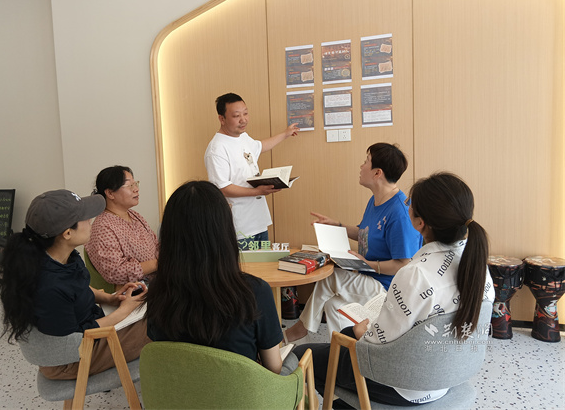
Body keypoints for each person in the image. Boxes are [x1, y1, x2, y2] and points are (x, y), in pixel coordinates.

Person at [293, 172, 495, 406]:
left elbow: (378, 343)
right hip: (446, 379)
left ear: (420, 223)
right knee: (342, 336)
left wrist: (360, 331)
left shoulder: (415, 274)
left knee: (302, 355)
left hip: (400, 384)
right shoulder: (477, 266)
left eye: (410, 204)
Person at [145, 180, 298, 375]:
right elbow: (273, 368)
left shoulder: (157, 291)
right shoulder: (254, 291)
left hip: (179, 390)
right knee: (294, 359)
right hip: (241, 392)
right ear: (224, 233)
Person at [0, 189, 150, 380]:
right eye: (85, 218)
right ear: (67, 233)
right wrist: (123, 311)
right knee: (163, 323)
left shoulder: (64, 257)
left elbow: (78, 288)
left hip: (87, 333)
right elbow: (79, 335)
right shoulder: (49, 286)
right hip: (72, 358)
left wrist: (110, 298)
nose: (91, 221)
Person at [285, 143, 423, 342]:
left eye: (366, 161)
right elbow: (365, 234)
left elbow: (404, 264)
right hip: (368, 279)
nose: (361, 166)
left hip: (387, 288)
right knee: (333, 305)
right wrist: (337, 225)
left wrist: (367, 264)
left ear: (377, 173)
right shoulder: (376, 200)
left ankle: (299, 330)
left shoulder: (399, 212)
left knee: (330, 277)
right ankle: (343, 352)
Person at [204, 92, 299, 247]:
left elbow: (259, 147)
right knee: (245, 264)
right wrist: (257, 191)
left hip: (259, 222)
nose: (243, 120)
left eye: (245, 113)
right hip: (239, 228)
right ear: (222, 119)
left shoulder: (242, 137)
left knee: (263, 263)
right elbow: (222, 188)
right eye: (236, 116)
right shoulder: (217, 149)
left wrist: (285, 134)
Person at [86, 165, 158, 287]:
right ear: (110, 193)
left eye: (136, 184)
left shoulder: (134, 215)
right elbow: (115, 272)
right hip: (134, 291)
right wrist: (157, 264)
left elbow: (155, 244)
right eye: (130, 186)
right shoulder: (103, 227)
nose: (136, 189)